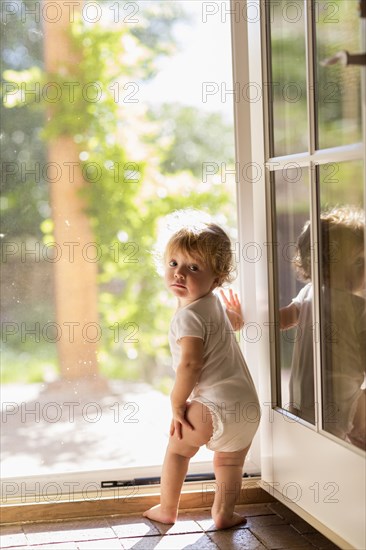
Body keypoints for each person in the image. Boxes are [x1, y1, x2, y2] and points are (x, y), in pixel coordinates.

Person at [143, 214, 260, 528]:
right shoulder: (214, 303)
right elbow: (226, 328)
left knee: (179, 453)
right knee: (230, 462)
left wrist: (177, 401)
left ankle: (167, 509)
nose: (179, 274)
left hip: (212, 406)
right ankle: (223, 513)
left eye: (193, 268)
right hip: (247, 407)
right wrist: (235, 317)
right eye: (174, 263)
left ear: (218, 277)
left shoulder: (187, 317)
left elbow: (190, 364)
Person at [279, 205, 365, 447]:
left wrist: (252, 316)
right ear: (330, 266)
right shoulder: (357, 307)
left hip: (301, 397)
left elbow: (282, 320)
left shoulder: (309, 293)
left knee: (316, 447)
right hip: (340, 401)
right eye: (359, 261)